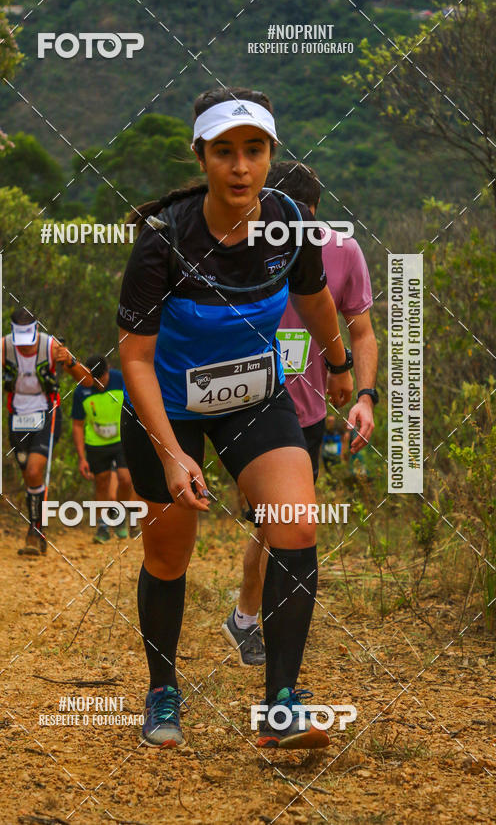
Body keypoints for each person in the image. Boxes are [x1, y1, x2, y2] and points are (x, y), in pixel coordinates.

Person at [117, 86, 355, 750]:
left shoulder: (289, 223)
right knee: (169, 553)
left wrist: (338, 366)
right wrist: (170, 453)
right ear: (203, 157)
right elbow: (133, 359)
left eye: (254, 151)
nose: (241, 166)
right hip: (167, 409)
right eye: (225, 152)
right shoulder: (164, 242)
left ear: (270, 154)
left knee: (296, 525)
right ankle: (163, 690)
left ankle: (280, 706)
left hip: (251, 398)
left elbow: (314, 299)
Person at [223, 160, 378, 665]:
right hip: (251, 408)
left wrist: (365, 395)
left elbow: (362, 331)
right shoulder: (239, 245)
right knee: (277, 521)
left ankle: (247, 620)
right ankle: (253, 622)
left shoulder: (343, 251)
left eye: (304, 220)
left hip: (308, 414)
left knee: (279, 525)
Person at [3, 308, 94, 556]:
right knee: (30, 478)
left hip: (46, 415)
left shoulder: (51, 346)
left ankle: (34, 533)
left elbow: (87, 381)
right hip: (17, 417)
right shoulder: (4, 347)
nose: (24, 347)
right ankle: (39, 527)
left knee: (34, 470)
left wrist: (70, 361)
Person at [71, 355, 134, 543]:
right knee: (101, 483)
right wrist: (82, 458)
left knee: (125, 479)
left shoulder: (121, 379)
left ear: (108, 372)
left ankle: (119, 515)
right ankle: (102, 525)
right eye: (95, 380)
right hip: (96, 444)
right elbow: (77, 425)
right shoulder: (81, 390)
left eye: (103, 378)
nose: (99, 383)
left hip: (121, 440)